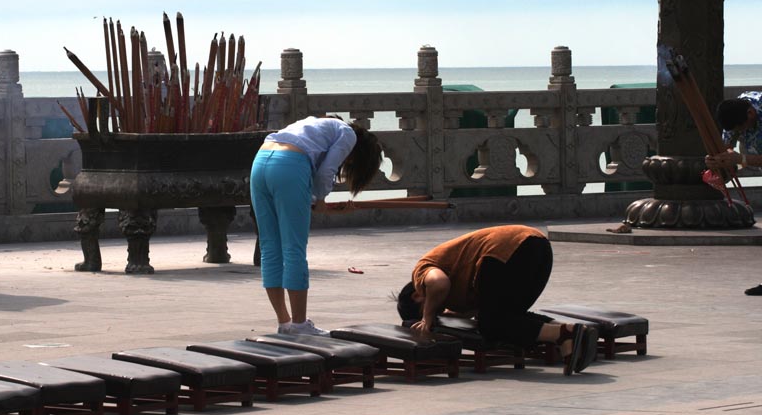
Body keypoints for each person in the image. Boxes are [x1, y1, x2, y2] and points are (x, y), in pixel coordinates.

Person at [396, 225, 597, 375]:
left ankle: (564, 334)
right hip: (538, 245)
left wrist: (428, 318)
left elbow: (438, 284)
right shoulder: (454, 297)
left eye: (427, 307)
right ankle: (572, 333)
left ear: (417, 296)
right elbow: (479, 307)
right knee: (509, 316)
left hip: (502, 253)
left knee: (492, 325)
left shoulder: (421, 273)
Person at [250, 115, 383, 335]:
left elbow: (311, 174)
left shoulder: (317, 125)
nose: (347, 164)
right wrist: (320, 198)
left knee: (270, 247)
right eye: (351, 163)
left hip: (261, 161)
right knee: (294, 248)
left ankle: (285, 323)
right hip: (289, 165)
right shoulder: (347, 135)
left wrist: (315, 200)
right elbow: (325, 172)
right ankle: (300, 325)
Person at [706, 91, 762, 296]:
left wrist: (741, 160)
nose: (741, 133)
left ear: (750, 114)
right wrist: (716, 160)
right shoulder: (735, 113)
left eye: (742, 129)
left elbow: (738, 158)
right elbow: (726, 149)